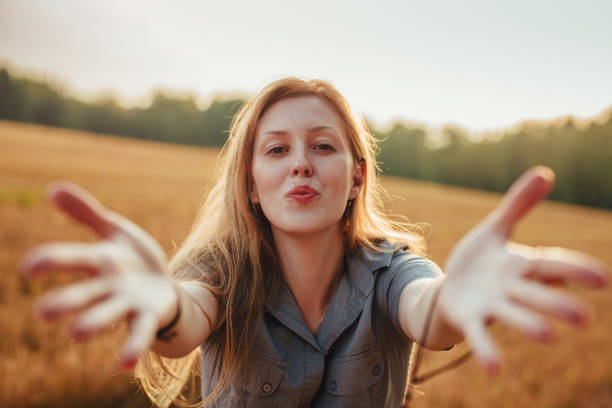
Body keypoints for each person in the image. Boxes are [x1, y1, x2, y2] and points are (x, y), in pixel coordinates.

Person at [20, 78, 609, 408]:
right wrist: (164, 307)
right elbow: (185, 322)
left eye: (323, 146)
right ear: (251, 184)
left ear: (356, 177)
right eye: (276, 150)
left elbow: (429, 309)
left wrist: (457, 299)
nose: (300, 163)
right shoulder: (219, 271)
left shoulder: (392, 270)